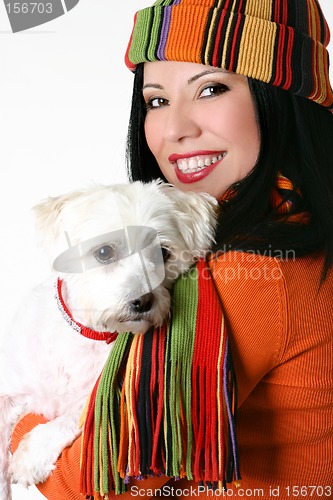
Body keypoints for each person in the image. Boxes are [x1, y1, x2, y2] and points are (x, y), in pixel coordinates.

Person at [12, 0, 333, 498]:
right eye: (156, 100)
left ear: (280, 100)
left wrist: (16, 421)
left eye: (210, 88)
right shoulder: (298, 225)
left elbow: (95, 480)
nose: (175, 128)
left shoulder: (251, 272)